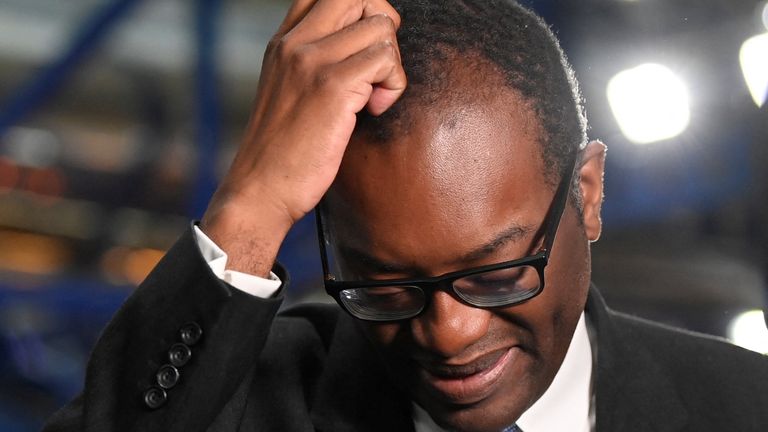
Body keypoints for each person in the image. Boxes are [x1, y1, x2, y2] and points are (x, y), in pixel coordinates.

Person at [44, 0, 768, 431]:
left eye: (496, 273)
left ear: (588, 193)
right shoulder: (250, 403)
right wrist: (252, 201)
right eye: (383, 287)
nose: (448, 334)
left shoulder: (744, 407)